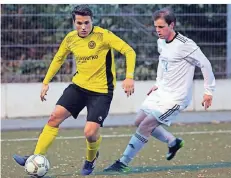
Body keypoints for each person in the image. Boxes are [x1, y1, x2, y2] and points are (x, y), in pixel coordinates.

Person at [13, 5, 136, 176]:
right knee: (54, 117)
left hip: (101, 91)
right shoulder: (71, 38)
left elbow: (129, 51)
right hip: (78, 87)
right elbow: (58, 59)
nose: (83, 27)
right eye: (79, 23)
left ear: (92, 21)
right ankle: (35, 156)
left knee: (90, 133)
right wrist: (46, 81)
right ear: (74, 23)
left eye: (87, 23)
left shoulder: (103, 35)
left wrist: (129, 76)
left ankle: (90, 159)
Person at [104, 7, 215, 173]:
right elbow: (163, 64)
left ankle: (122, 163)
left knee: (145, 126)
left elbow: (205, 64)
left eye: (161, 27)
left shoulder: (186, 45)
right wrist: (158, 83)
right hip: (161, 92)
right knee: (138, 121)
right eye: (156, 27)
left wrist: (208, 91)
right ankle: (173, 142)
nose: (158, 30)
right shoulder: (160, 42)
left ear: (172, 25)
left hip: (175, 98)